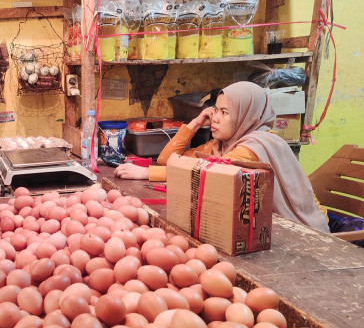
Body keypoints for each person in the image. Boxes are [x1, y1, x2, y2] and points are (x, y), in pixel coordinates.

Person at [115, 81, 330, 232]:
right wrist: (195, 123)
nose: (215, 118)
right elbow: (166, 160)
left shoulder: (255, 147)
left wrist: (145, 172)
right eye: (214, 110)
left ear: (248, 115)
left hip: (306, 233)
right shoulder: (224, 144)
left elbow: (204, 174)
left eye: (225, 112)